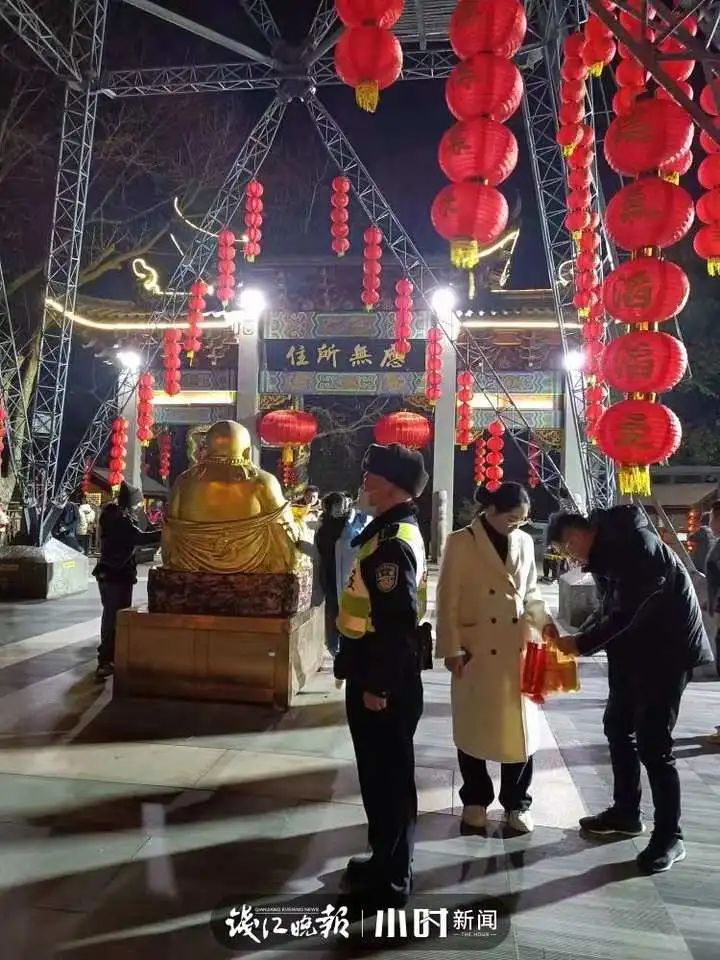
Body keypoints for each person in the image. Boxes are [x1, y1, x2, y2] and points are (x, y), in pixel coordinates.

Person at [548, 505, 711, 874]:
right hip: (634, 650)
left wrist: (582, 643)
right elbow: (609, 607)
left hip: (667, 651)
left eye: (567, 548)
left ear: (577, 535)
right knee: (617, 727)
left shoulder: (635, 543)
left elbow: (629, 609)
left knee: (654, 743)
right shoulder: (606, 553)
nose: (570, 557)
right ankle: (626, 812)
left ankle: (670, 836)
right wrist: (580, 637)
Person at [335, 443, 429, 907]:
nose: (364, 481)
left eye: (370, 474)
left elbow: (397, 624)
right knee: (377, 776)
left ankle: (392, 879)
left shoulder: (393, 543)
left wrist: (378, 686)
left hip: (384, 679)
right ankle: (382, 859)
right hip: (373, 669)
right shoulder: (386, 531)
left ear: (391, 485)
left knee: (389, 780)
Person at [436, 482, 549, 836]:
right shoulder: (461, 542)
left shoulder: (525, 542)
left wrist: (543, 624)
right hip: (477, 649)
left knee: (521, 731)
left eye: (523, 520)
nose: (517, 525)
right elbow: (447, 599)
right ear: (492, 511)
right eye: (512, 518)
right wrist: (451, 648)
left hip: (518, 647)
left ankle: (517, 802)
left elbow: (532, 590)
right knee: (474, 727)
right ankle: (475, 799)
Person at [93, 482, 161, 681]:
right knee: (113, 618)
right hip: (116, 575)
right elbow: (139, 538)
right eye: (138, 504)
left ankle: (110, 657)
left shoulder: (114, 517)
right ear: (131, 503)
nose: (139, 507)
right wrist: (165, 533)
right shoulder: (120, 521)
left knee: (113, 616)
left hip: (111, 574)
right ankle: (106, 660)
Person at [315, 492, 351, 658]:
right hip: (331, 570)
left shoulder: (347, 524)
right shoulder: (326, 525)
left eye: (341, 505)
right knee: (333, 607)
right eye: (337, 505)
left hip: (342, 571)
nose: (340, 509)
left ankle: (338, 643)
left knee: (340, 607)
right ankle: (334, 644)